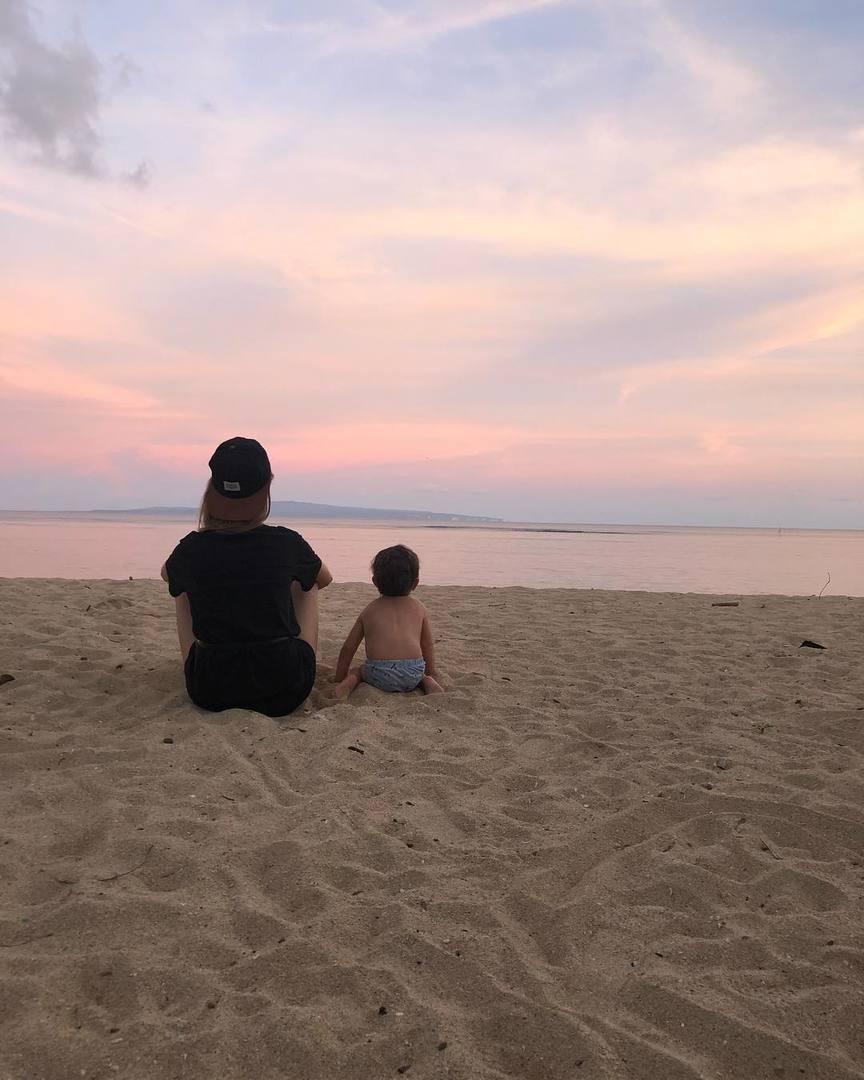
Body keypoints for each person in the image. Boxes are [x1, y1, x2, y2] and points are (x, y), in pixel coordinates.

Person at [161, 437, 332, 716]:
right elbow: (324, 579)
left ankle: (191, 661)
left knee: (182, 587)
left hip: (209, 690)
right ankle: (300, 652)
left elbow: (166, 575)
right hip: (286, 689)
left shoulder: (192, 547)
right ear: (265, 491)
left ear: (212, 491)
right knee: (307, 582)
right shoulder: (287, 543)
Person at [334, 544, 443, 698]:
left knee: (358, 671)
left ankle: (347, 684)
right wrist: (430, 673)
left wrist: (339, 676)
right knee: (424, 677)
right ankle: (429, 683)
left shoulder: (370, 610)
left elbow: (348, 648)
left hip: (378, 673)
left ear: (375, 582)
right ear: (415, 583)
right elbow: (427, 645)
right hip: (413, 673)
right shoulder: (419, 608)